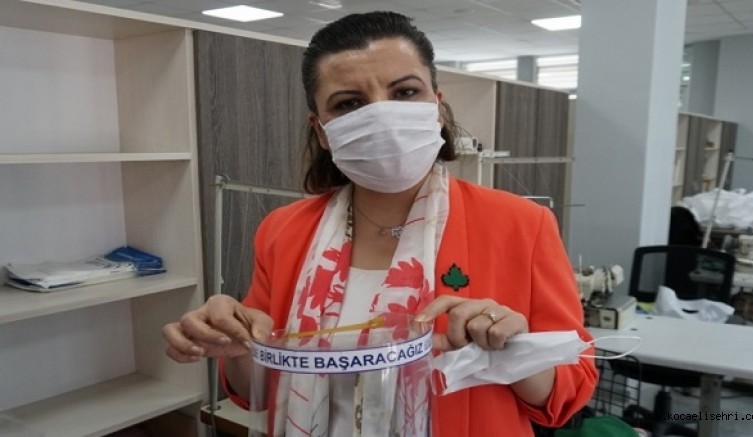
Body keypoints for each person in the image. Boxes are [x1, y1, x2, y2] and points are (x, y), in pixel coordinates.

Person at [163, 11, 597, 436]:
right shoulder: (283, 230)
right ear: (321, 130)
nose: (382, 116)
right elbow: (252, 392)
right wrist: (235, 346)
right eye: (349, 103)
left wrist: (510, 350)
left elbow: (570, 390)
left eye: (405, 92)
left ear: (437, 105)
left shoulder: (522, 224)